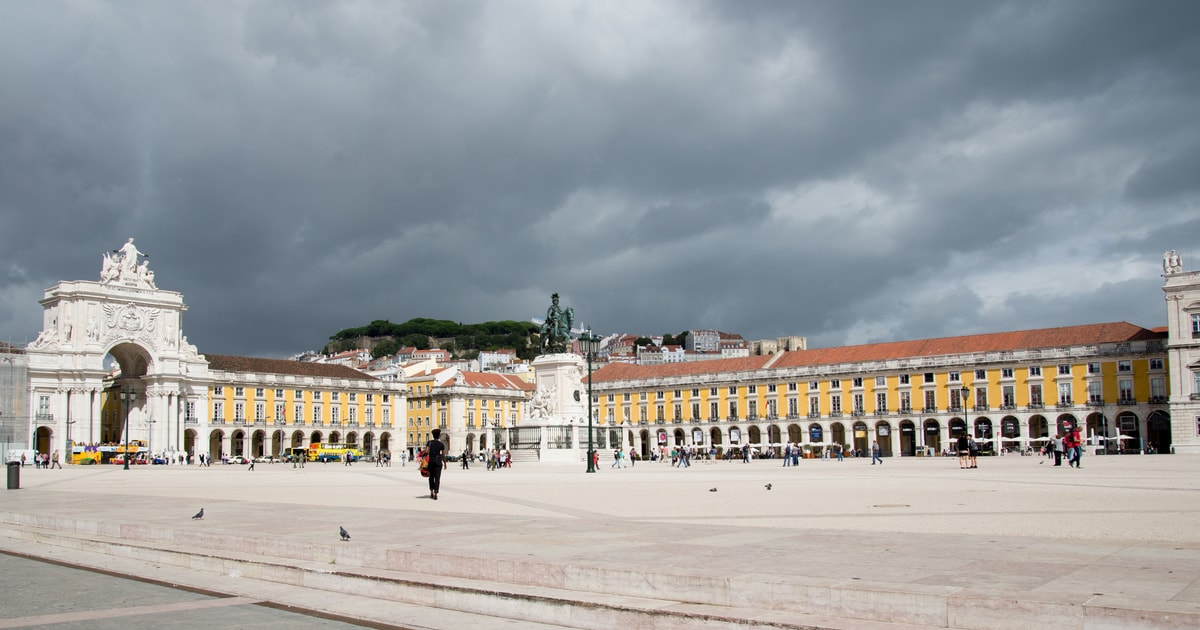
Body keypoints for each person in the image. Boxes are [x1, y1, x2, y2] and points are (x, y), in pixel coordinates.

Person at [425, 428, 446, 500]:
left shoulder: (429, 442)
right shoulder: (441, 444)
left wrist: (424, 455)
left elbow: (426, 452)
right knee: (437, 477)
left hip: (431, 460)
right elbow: (443, 455)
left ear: (433, 435)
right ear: (439, 435)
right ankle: (436, 492)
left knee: (431, 477)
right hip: (438, 461)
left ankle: (431, 490)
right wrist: (445, 463)